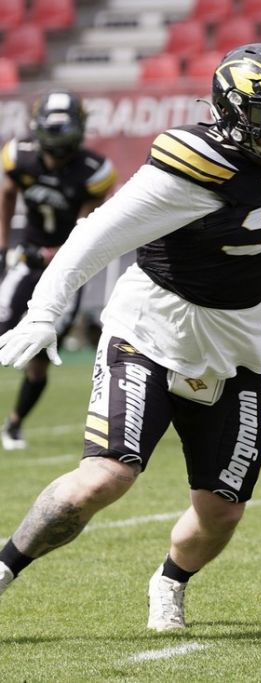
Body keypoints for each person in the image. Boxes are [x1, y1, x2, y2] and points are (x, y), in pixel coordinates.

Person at [0, 42, 261, 631]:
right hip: (150, 329)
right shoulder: (193, 165)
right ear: (233, 112)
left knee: (222, 511)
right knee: (106, 476)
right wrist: (45, 310)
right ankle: (5, 567)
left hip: (235, 347)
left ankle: (170, 581)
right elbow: (96, 234)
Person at [0, 90, 117, 450]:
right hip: (26, 258)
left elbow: (85, 234)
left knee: (39, 357)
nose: (58, 138)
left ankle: (14, 424)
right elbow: (7, 194)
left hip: (68, 268)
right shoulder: (19, 156)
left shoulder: (93, 171)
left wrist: (49, 255)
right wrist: (4, 249)